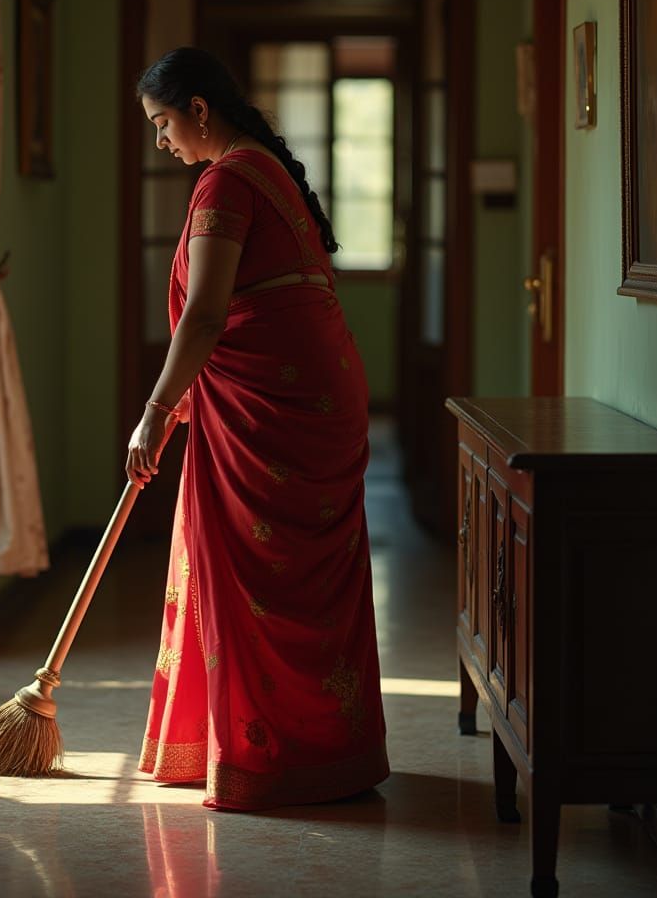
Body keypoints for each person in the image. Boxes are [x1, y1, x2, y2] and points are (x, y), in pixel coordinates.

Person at [128, 47, 389, 811]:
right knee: (308, 581)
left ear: (199, 110)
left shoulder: (229, 180)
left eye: (163, 122)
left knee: (260, 579)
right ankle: (329, 750)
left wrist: (153, 410)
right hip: (315, 396)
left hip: (274, 411)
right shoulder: (267, 172)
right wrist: (182, 399)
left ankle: (271, 758)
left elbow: (208, 313)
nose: (161, 141)